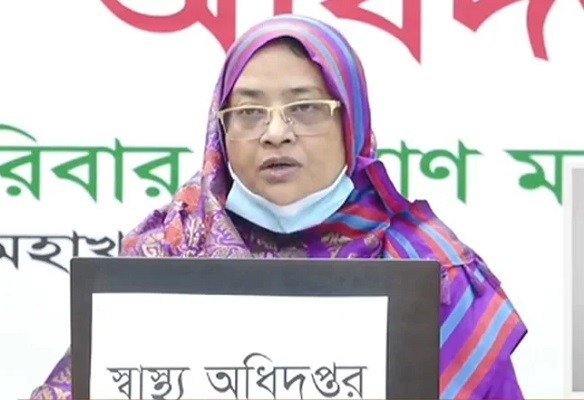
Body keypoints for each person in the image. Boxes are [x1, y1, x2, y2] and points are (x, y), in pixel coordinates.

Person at [29, 14, 527, 400]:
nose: (275, 133)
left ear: (351, 122)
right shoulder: (164, 255)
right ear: (220, 130)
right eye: (248, 111)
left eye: (305, 107)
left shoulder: (436, 275)